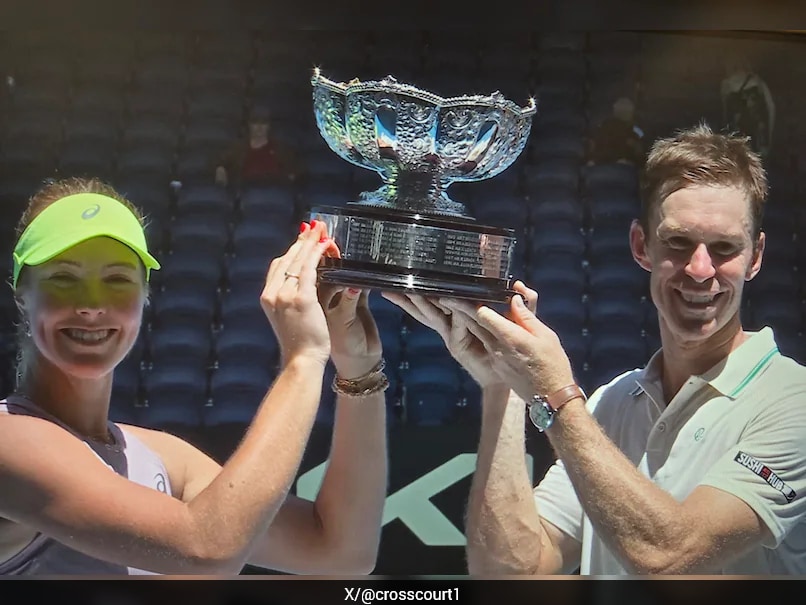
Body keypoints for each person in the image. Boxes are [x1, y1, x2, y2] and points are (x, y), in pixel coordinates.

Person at [384, 124, 806, 574]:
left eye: (724, 248)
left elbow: (670, 557)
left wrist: (556, 395)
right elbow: (512, 573)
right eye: (678, 243)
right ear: (641, 245)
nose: (700, 270)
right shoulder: (611, 402)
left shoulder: (793, 403)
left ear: (755, 257)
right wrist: (501, 385)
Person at [0, 177, 388, 575]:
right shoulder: (7, 440)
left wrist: (358, 368)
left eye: (117, 279)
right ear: (21, 291)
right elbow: (208, 549)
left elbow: (340, 552)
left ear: (143, 295)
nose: (92, 305)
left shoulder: (163, 458)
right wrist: (303, 357)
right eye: (64, 278)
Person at [214, 104, 299, 189]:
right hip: (246, 193)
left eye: (263, 123)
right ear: (249, 125)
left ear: (269, 126)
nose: (259, 127)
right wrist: (220, 168)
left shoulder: (280, 148)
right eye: (255, 122)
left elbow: (298, 168)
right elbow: (218, 160)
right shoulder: (238, 148)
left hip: (274, 192)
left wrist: (292, 176)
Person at [721, 59, 775, 159]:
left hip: (741, 127)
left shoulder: (727, 85)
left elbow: (726, 112)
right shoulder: (757, 81)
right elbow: (770, 107)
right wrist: (769, 138)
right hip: (756, 126)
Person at [586, 97, 645, 167]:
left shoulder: (635, 129)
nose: (623, 112)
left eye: (626, 110)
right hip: (603, 160)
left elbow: (640, 148)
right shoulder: (605, 125)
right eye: (621, 110)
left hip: (623, 161)